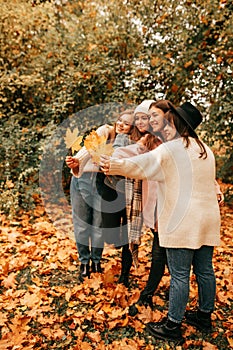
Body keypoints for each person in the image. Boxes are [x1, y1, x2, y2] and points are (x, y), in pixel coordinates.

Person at [100, 102, 221, 343]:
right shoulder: (205, 149)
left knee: (179, 275)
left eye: (171, 118)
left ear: (178, 122)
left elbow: (141, 166)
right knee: (205, 270)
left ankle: (173, 326)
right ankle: (204, 316)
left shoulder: (172, 149)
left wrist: (112, 165)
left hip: (183, 221)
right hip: (207, 218)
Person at [66, 109, 138, 282]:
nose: (120, 124)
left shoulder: (128, 143)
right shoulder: (105, 131)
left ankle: (96, 261)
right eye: (120, 120)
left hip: (102, 184)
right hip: (82, 179)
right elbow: (88, 148)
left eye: (126, 123)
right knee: (82, 224)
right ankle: (84, 262)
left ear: (133, 128)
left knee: (98, 225)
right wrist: (76, 160)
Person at [102, 100, 155, 287]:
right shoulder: (122, 136)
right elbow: (117, 155)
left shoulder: (149, 139)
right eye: (138, 119)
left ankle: (124, 274)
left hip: (136, 191)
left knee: (129, 234)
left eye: (144, 119)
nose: (141, 122)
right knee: (111, 233)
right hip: (115, 189)